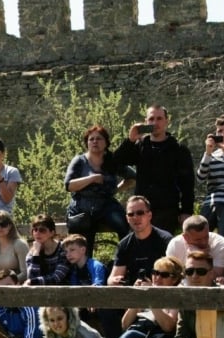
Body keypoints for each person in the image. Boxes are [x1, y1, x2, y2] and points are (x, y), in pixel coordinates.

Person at [101, 196, 173, 338]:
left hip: (161, 294)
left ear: (149, 215)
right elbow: (112, 278)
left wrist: (152, 288)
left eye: (140, 213)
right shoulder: (124, 244)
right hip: (133, 295)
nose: (135, 217)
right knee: (104, 308)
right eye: (131, 214)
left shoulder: (166, 240)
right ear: (126, 218)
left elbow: (174, 276)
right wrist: (114, 281)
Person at [113, 104, 195, 233]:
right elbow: (115, 162)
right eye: (151, 119)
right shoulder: (140, 146)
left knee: (161, 251)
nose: (155, 122)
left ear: (167, 121)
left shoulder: (178, 149)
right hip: (140, 210)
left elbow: (187, 183)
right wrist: (130, 140)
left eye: (159, 118)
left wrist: (186, 211)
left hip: (167, 210)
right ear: (146, 122)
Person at [64, 125, 134, 253]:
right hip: (82, 207)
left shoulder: (112, 160)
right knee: (83, 246)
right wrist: (92, 178)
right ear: (87, 143)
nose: (95, 141)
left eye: (99, 138)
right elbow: (69, 185)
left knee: (125, 226)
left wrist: (115, 190)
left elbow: (132, 177)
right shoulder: (79, 161)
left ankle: (125, 262)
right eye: (91, 139)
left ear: (106, 142)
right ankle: (85, 270)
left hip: (106, 205)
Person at [165, 214, 224, 280]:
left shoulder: (220, 244)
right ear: (185, 237)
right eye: (198, 240)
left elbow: (217, 275)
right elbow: (169, 275)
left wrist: (203, 258)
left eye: (206, 237)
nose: (204, 242)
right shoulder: (175, 244)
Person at [23, 214, 69, 286]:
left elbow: (56, 278)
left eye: (42, 230)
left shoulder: (63, 249)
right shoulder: (31, 254)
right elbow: (32, 278)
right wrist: (36, 254)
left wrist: (33, 282)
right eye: (35, 230)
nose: (37, 233)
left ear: (52, 232)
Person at [0, 210, 29, 283]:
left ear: (10, 226)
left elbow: (25, 273)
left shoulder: (20, 244)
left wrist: (7, 283)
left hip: (18, 287)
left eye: (3, 224)